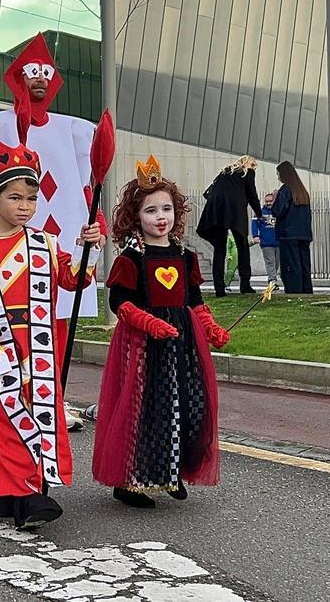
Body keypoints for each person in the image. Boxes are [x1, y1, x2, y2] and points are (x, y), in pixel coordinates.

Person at [0, 142, 103, 530]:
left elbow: (73, 279)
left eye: (31, 198)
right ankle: (25, 498)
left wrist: (90, 250)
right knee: (2, 423)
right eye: (14, 197)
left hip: (36, 351)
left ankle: (6, 487)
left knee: (36, 419)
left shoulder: (45, 244)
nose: (24, 206)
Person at [92, 156, 227, 509]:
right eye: (151, 210)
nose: (160, 217)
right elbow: (118, 301)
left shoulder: (185, 255)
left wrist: (209, 326)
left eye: (166, 208)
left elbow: (194, 298)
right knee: (145, 408)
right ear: (136, 216)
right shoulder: (130, 257)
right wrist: (148, 322)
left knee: (184, 404)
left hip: (182, 342)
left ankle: (171, 472)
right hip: (142, 344)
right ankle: (131, 482)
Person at [0, 33, 106, 321]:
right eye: (33, 72)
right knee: (5, 316)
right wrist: (6, 206)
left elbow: (83, 185)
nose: (40, 79)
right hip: (4, 240)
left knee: (56, 320)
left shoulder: (73, 131)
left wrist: (97, 220)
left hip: (58, 241)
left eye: (46, 72)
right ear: (18, 77)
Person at [196, 155, 263, 297]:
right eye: (254, 165)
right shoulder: (248, 172)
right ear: (249, 164)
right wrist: (259, 213)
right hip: (235, 209)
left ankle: (219, 288)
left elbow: (210, 192)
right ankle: (245, 284)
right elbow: (252, 194)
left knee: (219, 250)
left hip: (217, 209)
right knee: (242, 246)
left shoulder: (225, 172)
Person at [273, 161, 314, 294]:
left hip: (288, 235)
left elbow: (278, 211)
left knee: (291, 267)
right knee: (304, 266)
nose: (278, 177)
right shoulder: (302, 191)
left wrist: (275, 199)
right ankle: (306, 291)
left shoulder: (285, 190)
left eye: (278, 174)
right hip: (304, 234)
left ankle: (294, 292)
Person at [252, 191, 280, 286]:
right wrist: (255, 236)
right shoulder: (260, 212)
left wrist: (267, 219)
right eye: (267, 201)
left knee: (276, 263)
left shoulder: (278, 211)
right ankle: (272, 280)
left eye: (270, 201)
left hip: (278, 242)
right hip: (266, 243)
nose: (268, 203)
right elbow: (254, 224)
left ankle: (272, 278)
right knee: (270, 262)